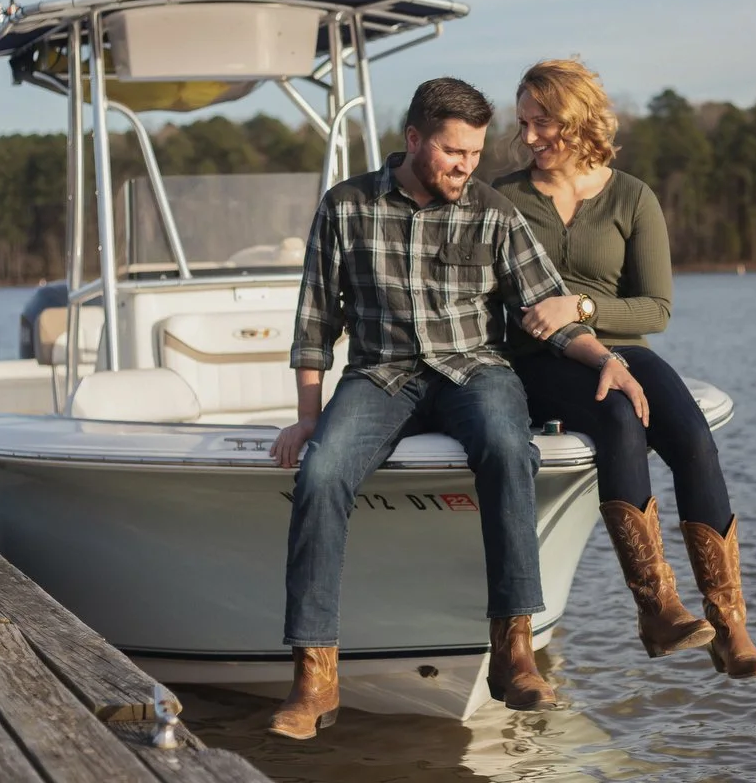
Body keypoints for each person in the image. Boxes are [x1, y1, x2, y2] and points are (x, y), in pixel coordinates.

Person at [267, 76, 649, 740]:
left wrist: (602, 358)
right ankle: (314, 675)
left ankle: (514, 651)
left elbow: (546, 311)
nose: (465, 167)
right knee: (323, 472)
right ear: (413, 140)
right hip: (380, 376)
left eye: (473, 154)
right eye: (452, 153)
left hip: (475, 373)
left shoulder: (493, 211)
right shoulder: (346, 207)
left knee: (508, 449)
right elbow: (315, 323)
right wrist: (307, 414)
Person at [493, 59, 756, 679]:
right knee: (619, 417)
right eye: (525, 124)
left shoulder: (632, 197)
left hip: (627, 347)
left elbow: (657, 307)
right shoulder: (505, 199)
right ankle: (656, 608)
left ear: (579, 119)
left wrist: (585, 305)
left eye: (545, 123)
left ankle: (730, 626)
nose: (531, 137)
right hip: (541, 356)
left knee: (693, 439)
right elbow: (498, 304)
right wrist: (561, 322)